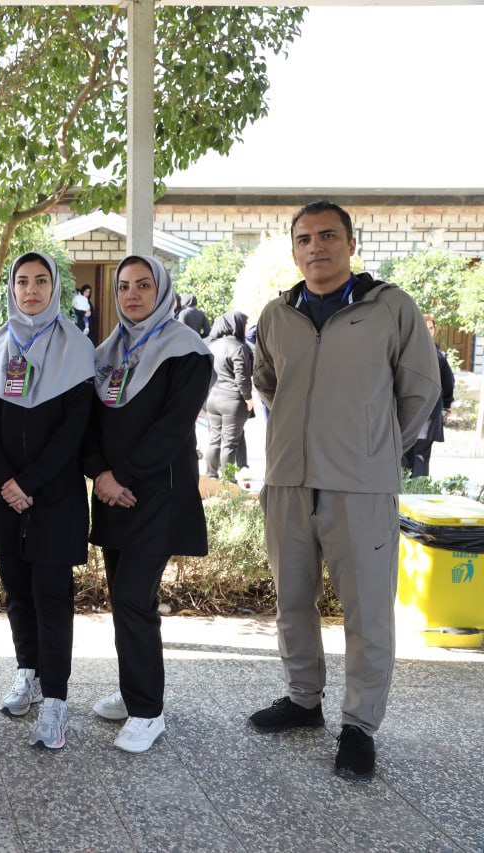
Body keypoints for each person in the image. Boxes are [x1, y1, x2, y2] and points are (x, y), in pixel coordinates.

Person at [250, 200, 440, 781]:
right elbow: (268, 382)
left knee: (367, 613)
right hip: (288, 482)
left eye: (328, 235)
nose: (316, 247)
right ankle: (303, 699)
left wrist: (373, 447)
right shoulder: (277, 315)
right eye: (304, 239)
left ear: (351, 244)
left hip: (360, 487)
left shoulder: (390, 308)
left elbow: (419, 389)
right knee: (292, 601)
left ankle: (359, 726)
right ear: (294, 251)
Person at [82, 254, 213, 754]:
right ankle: (133, 687)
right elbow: (88, 424)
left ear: (162, 291)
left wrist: (121, 476)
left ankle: (147, 711)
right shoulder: (107, 352)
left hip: (157, 495)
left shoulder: (187, 351)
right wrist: (100, 474)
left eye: (143, 285)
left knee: (135, 597)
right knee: (123, 597)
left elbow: (172, 428)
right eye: (124, 286)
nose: (132, 294)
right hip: (113, 495)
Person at [0, 252, 95, 749]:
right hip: (5, 493)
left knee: (52, 595)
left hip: (54, 494)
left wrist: (30, 482)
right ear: (11, 289)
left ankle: (56, 701)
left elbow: (74, 430)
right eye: (22, 281)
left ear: (54, 288)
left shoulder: (77, 348)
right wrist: (8, 480)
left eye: (41, 281)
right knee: (16, 591)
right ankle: (27, 672)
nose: (31, 290)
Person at [401, 315, 455, 477]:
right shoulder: (435, 355)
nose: (428, 331)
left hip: (422, 414)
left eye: (431, 328)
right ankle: (417, 490)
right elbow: (448, 383)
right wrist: (447, 405)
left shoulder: (406, 352)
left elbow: (447, 382)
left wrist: (447, 405)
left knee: (411, 455)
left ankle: (406, 490)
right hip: (412, 413)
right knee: (417, 457)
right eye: (425, 327)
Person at [203, 311, 254, 477]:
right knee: (230, 443)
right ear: (236, 325)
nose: (246, 327)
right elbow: (242, 377)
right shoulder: (239, 347)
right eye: (245, 323)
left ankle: (211, 475)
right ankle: (228, 480)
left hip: (213, 398)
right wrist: (248, 398)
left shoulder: (212, 345)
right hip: (233, 399)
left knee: (214, 440)